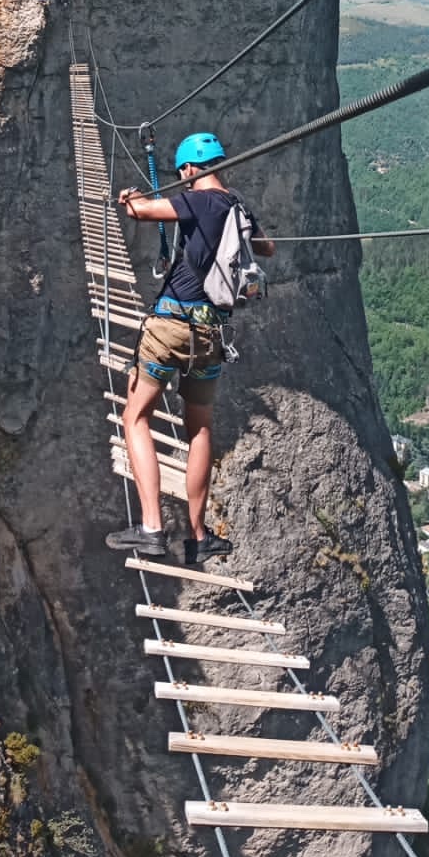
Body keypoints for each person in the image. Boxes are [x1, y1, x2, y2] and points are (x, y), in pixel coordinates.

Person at [105, 132, 275, 565]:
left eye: (183, 174)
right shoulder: (238, 207)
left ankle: (152, 530)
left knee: (135, 416)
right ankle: (198, 538)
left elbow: (142, 211)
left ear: (188, 170)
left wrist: (129, 197)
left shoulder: (197, 200)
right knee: (199, 428)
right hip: (211, 336)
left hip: (171, 327)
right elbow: (267, 247)